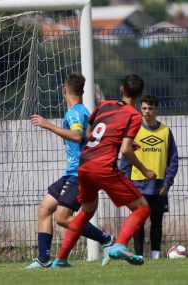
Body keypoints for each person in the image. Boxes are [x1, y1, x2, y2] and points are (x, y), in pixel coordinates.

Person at [51, 74, 157, 268]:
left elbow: (91, 134)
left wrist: (115, 142)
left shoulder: (104, 105)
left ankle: (60, 259)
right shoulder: (134, 115)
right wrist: (145, 170)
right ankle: (119, 245)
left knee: (86, 212)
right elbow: (125, 149)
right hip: (103, 166)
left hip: (85, 164)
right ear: (140, 95)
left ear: (121, 89)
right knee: (142, 208)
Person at [25, 73, 114, 269]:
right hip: (71, 172)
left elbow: (75, 135)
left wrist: (48, 125)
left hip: (79, 174)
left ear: (64, 89)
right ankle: (43, 259)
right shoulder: (83, 111)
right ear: (82, 91)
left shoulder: (74, 113)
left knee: (62, 217)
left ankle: (107, 240)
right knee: (44, 208)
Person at [119, 94, 178, 259]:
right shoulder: (134, 131)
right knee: (138, 221)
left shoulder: (165, 131)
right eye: (144, 108)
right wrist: (125, 183)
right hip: (137, 184)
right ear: (140, 109)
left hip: (159, 185)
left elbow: (173, 159)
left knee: (157, 221)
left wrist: (168, 182)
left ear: (156, 110)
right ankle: (138, 255)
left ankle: (156, 255)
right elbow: (125, 161)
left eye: (150, 108)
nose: (147, 112)